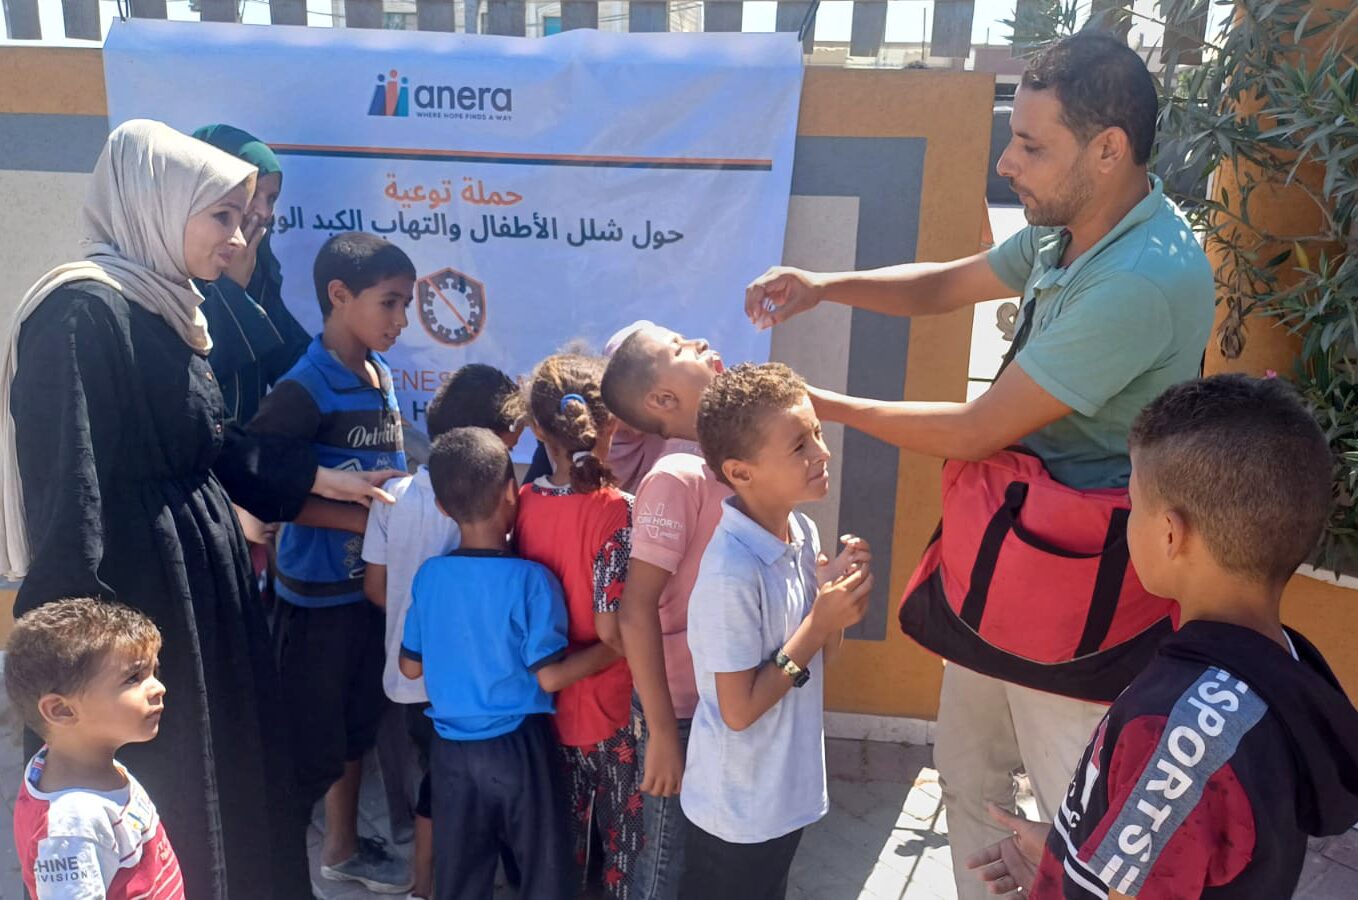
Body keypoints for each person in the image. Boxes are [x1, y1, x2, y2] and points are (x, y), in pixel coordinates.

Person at [742, 31, 1215, 897]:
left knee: (1085, 820)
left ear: (1109, 150)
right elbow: (943, 286)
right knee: (970, 780)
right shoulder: (1071, 227)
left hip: (1085, 586)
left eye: (1032, 146)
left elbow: (973, 430)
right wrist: (823, 283)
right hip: (1009, 556)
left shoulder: (1139, 277)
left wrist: (823, 406)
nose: (1007, 162)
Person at [0, 119, 393, 900]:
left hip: (200, 593)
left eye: (246, 221)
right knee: (169, 779)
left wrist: (317, 478)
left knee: (232, 775)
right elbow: (68, 492)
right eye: (223, 218)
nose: (240, 240)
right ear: (155, 203)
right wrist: (88, 665)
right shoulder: (80, 314)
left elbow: (210, 446)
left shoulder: (167, 306)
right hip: (142, 598)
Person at [967, 375, 1358, 898]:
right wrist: (1067, 853)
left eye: (1133, 504)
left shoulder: (1181, 729)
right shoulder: (1281, 663)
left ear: (1171, 534)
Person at [248, 231, 415, 893]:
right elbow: (264, 484)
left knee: (355, 728)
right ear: (339, 297)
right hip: (315, 601)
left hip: (366, 596)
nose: (402, 319)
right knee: (308, 748)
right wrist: (366, 522)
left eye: (408, 303)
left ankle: (341, 847)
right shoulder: (304, 386)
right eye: (391, 302)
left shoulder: (379, 374)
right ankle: (272, 869)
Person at [681, 362, 873, 899]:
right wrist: (818, 622)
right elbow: (738, 710)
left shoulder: (801, 531)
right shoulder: (731, 572)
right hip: (736, 813)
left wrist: (835, 602)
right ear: (741, 472)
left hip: (782, 797)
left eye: (816, 432)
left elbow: (817, 658)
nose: (822, 451)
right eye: (799, 446)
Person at [362, 362, 527, 900]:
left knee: (436, 781)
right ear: (493, 443)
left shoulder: (394, 498)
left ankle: (422, 883)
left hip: (409, 680)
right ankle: (444, 881)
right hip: (471, 686)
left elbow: (377, 590)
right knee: (462, 787)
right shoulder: (487, 507)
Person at [398, 427, 578, 900]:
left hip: (451, 750)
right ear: (510, 495)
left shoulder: (430, 576)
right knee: (544, 871)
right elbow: (551, 674)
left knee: (461, 876)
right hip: (519, 745)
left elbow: (410, 668)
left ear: (441, 506)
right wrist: (614, 648)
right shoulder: (532, 580)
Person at [599, 323, 730, 899]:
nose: (701, 342)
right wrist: (660, 732)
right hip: (678, 707)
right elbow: (635, 611)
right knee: (661, 869)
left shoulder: (728, 460)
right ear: (662, 401)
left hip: (728, 694)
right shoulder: (675, 476)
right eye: (681, 348)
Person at [515, 353, 642, 897]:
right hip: (611, 708)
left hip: (546, 706)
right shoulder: (621, 510)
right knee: (624, 844)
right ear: (612, 422)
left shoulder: (521, 503)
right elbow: (615, 629)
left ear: (537, 428)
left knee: (563, 840)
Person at [6, 599, 182, 899]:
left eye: (155, 672)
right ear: (61, 710)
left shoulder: (75, 761)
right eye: (133, 678)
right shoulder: (72, 826)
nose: (158, 687)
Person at [191, 124, 309, 425]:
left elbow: (288, 353)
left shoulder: (258, 265)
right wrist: (229, 287)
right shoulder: (171, 271)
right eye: (254, 192)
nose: (264, 211)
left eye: (271, 198)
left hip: (242, 455)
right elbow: (199, 374)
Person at [522, 321, 669, 492]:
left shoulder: (674, 439)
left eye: (653, 386)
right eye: (631, 386)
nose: (644, 401)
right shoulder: (563, 435)